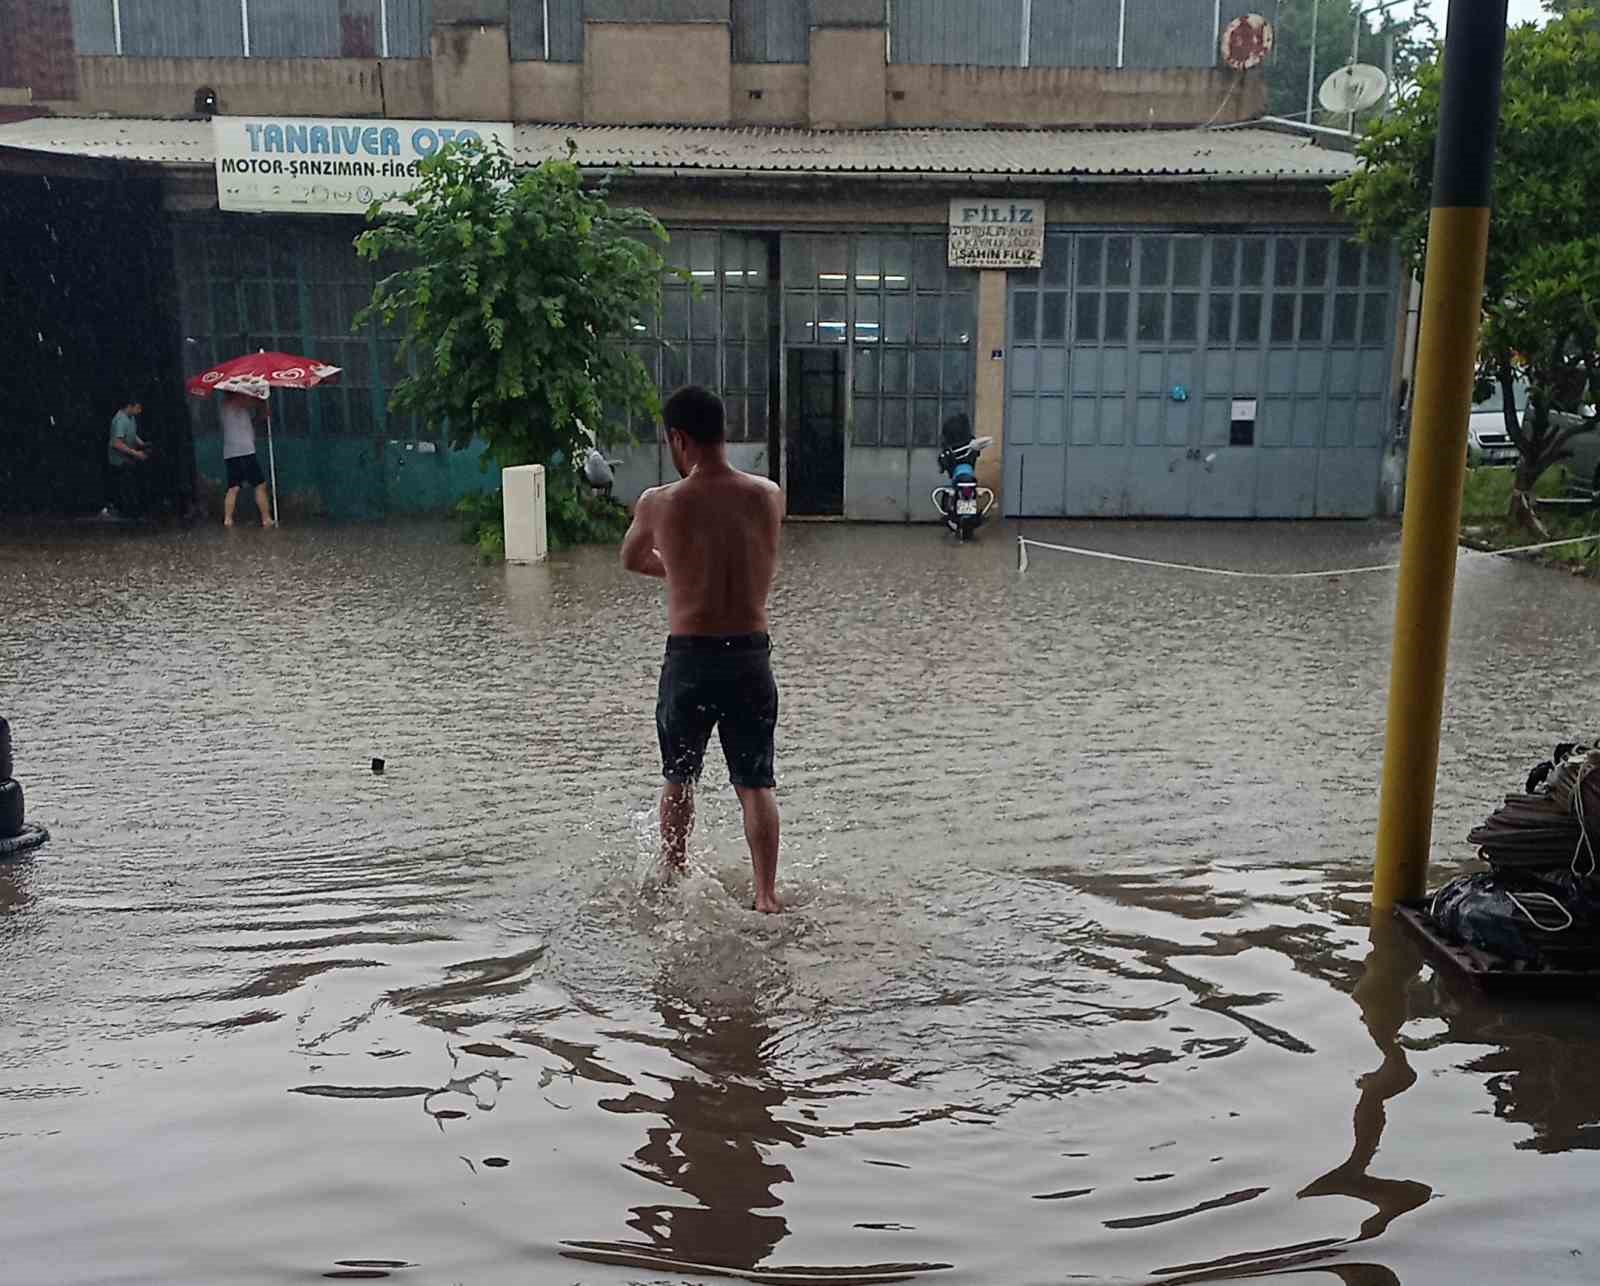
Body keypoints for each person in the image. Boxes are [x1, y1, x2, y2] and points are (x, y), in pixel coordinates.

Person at [621, 386, 786, 913]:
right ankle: (765, 896)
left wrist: (678, 569)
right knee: (755, 783)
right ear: (724, 434)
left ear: (679, 438)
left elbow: (630, 558)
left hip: (690, 657)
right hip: (749, 656)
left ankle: (673, 877)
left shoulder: (659, 502)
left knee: (679, 777)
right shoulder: (768, 495)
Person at [220, 392, 273, 528]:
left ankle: (228, 519)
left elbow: (250, 421)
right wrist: (262, 397)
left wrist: (262, 412)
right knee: (259, 484)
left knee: (234, 487)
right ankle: (266, 518)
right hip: (244, 452)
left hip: (232, 452)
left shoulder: (231, 407)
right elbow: (252, 402)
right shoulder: (233, 404)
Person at [104, 399, 150, 517]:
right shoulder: (119, 420)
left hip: (129, 458)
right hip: (119, 461)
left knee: (131, 485)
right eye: (138, 408)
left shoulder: (131, 418)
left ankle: (133, 511)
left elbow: (132, 434)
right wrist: (135, 453)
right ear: (130, 406)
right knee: (126, 488)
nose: (139, 411)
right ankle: (126, 513)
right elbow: (116, 443)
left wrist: (142, 444)